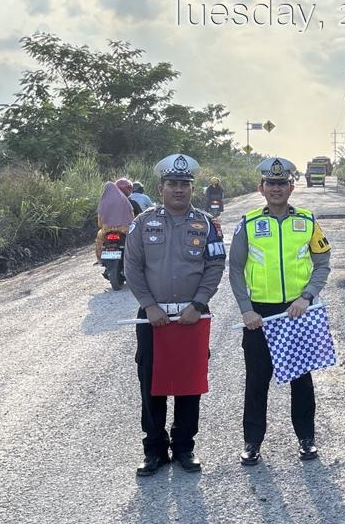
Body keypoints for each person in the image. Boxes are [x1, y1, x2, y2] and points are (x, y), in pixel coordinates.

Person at [123, 153, 227, 476]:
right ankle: (154, 449)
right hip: (153, 317)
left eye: (184, 184)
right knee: (150, 382)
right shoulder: (142, 224)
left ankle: (184, 446)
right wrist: (149, 305)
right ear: (161, 188)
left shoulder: (207, 225)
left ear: (192, 188)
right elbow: (132, 267)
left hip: (192, 317)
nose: (178, 189)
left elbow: (215, 266)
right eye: (172, 184)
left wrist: (199, 304)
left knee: (188, 383)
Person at [228, 156, 331, 466]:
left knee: (301, 379)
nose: (276, 188)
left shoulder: (308, 221)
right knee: (257, 381)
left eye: (282, 183)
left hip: (296, 312)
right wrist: (246, 310)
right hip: (259, 315)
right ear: (261, 188)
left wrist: (307, 297)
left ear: (291, 187)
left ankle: (307, 438)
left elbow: (322, 264)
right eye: (271, 183)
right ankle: (252, 442)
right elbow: (235, 270)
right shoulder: (248, 223)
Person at [95, 180, 134, 265]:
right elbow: (131, 217)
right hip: (124, 229)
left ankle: (100, 259)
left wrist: (105, 226)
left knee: (99, 240)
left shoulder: (103, 202)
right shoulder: (125, 200)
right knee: (134, 240)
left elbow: (100, 222)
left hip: (106, 230)